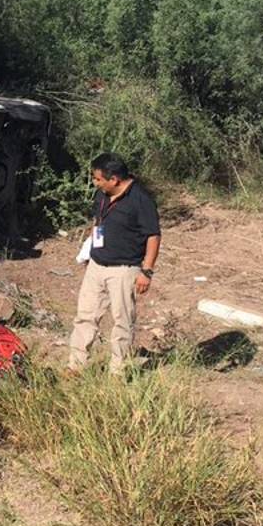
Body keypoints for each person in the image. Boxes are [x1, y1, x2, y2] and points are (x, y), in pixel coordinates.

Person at [67, 153, 161, 374]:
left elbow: (153, 236)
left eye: (99, 179)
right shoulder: (102, 195)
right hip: (96, 266)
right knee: (85, 317)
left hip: (124, 270)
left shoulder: (141, 200)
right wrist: (90, 250)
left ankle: (117, 372)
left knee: (122, 322)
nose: (95, 183)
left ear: (115, 179)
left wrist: (146, 272)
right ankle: (75, 366)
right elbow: (98, 221)